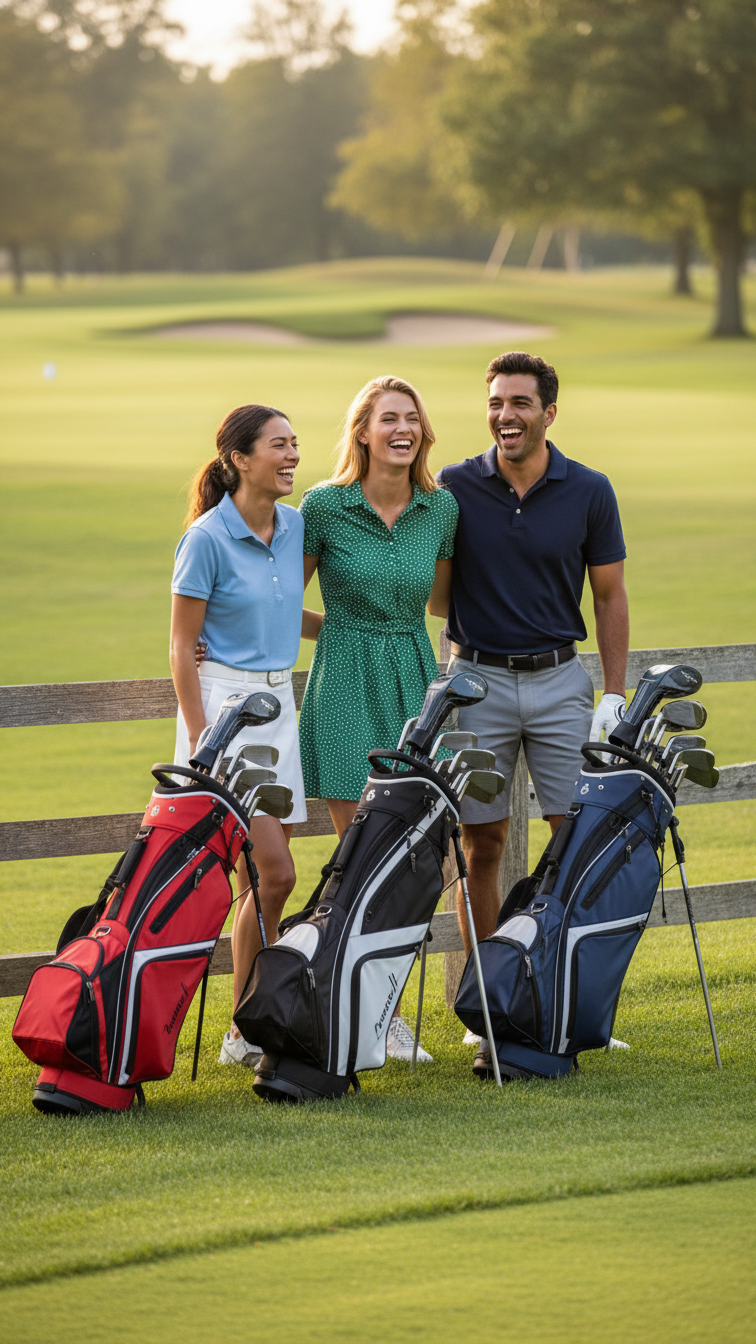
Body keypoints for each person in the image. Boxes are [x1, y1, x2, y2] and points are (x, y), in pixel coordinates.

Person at [431, 351, 629, 1074]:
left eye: (519, 402)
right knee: (479, 846)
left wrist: (611, 693)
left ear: (550, 411)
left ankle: (570, 1003)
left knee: (577, 848)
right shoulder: (454, 486)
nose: (504, 415)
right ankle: (491, 1006)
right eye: (495, 402)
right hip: (476, 682)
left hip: (559, 684)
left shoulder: (590, 490)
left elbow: (609, 596)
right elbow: (426, 584)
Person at [298, 375, 458, 1062]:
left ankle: (378, 1006)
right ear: (361, 431)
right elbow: (280, 599)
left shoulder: (441, 509)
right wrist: (331, 632)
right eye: (388, 418)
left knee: (428, 861)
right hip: (343, 686)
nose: (403, 429)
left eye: (412, 419)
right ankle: (357, 1012)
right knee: (361, 864)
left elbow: (448, 607)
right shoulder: (323, 507)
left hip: (416, 685)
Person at [170, 403, 321, 1068]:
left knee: (259, 879)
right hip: (225, 710)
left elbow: (286, 609)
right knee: (275, 872)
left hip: (277, 699)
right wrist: (205, 740)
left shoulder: (293, 526)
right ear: (238, 459)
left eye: (294, 444)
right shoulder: (205, 537)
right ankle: (245, 1023)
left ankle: (242, 1026)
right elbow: (180, 646)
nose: (291, 456)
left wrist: (348, 629)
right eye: (277, 446)